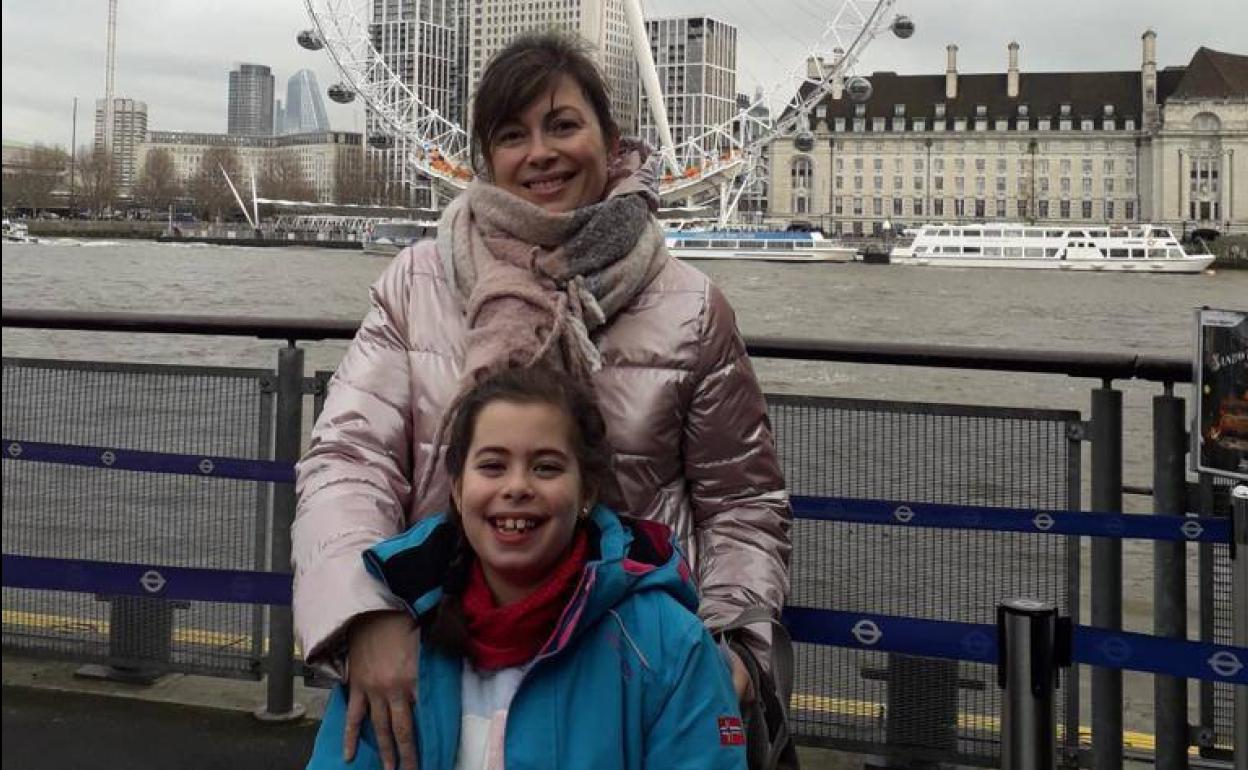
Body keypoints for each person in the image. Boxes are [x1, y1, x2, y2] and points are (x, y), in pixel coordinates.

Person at [293, 31, 791, 770]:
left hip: (631, 673)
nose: (540, 153)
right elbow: (347, 460)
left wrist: (733, 650)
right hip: (438, 650)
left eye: (563, 126)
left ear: (611, 140)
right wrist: (363, 614)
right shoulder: (415, 283)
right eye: (513, 134)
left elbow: (742, 505)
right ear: (484, 158)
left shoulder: (690, 308)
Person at [305, 367, 748, 769]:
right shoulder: (394, 642)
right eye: (493, 466)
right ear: (457, 490)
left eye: (546, 467)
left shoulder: (668, 646)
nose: (517, 487)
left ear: (587, 491)